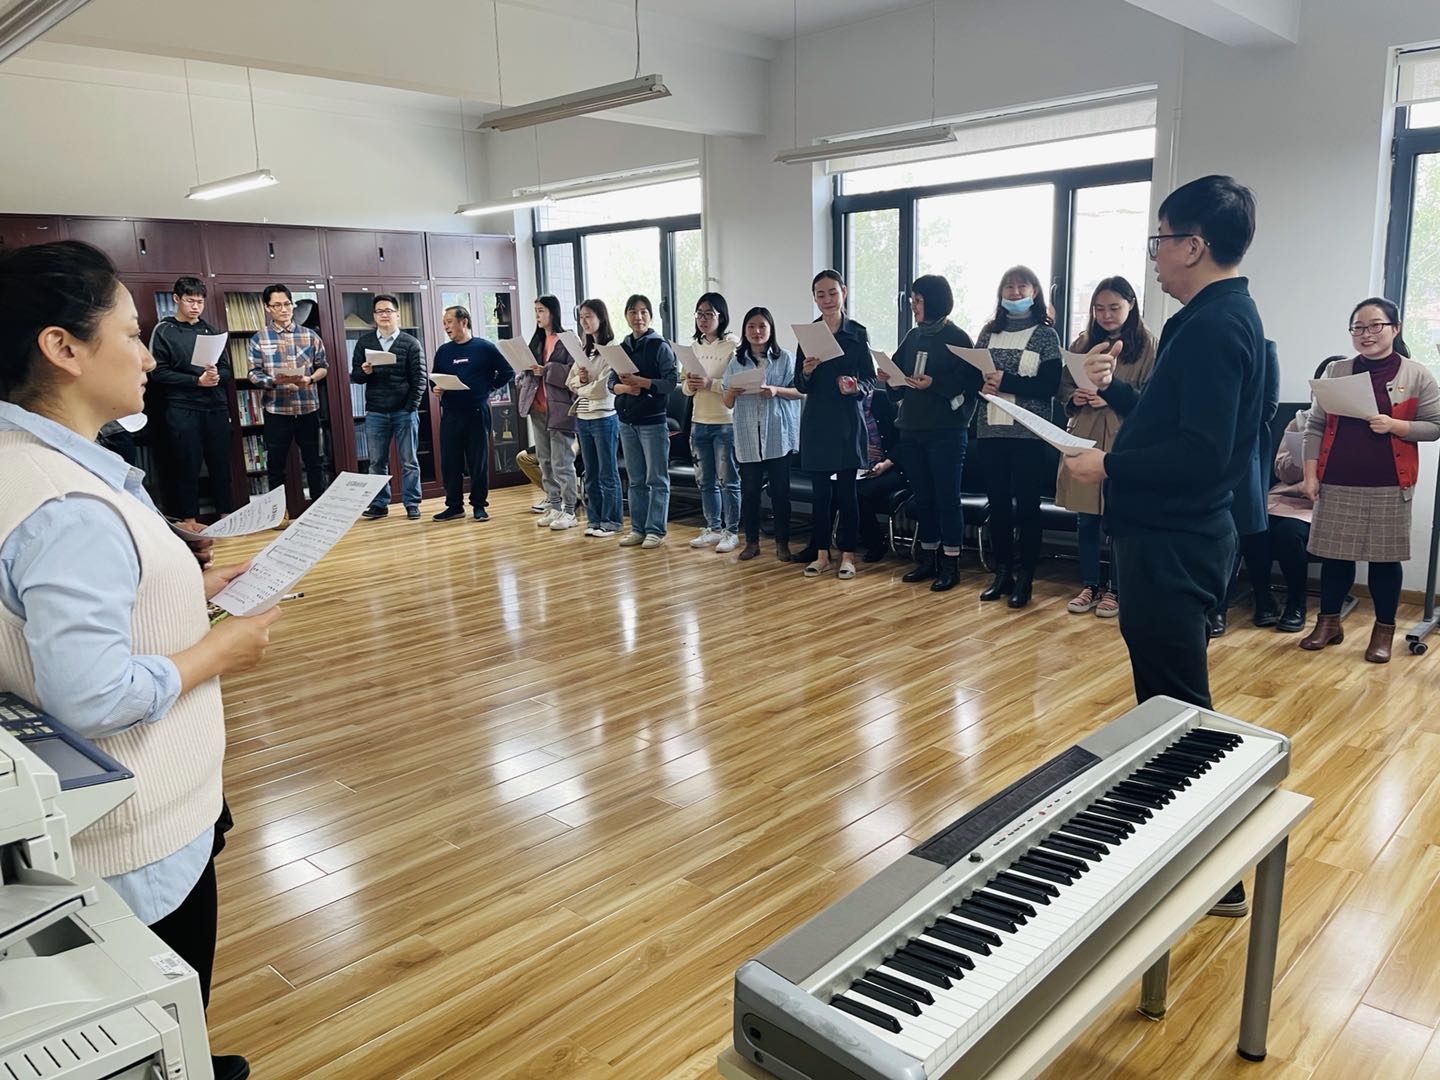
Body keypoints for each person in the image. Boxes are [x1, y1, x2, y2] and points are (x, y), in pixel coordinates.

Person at [0, 240, 280, 1080]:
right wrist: (220, 647)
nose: (147, 355)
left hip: (116, 819)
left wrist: (189, 586)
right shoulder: (68, 505)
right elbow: (91, 695)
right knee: (166, 1024)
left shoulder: (30, 466)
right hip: (134, 838)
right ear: (63, 347)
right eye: (129, 333)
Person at [1064, 175, 1265, 918]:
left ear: (1194, 245)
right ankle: (1178, 841)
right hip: (1172, 535)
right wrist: (1116, 394)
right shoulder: (1213, 316)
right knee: (1165, 701)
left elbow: (1202, 454)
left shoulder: (1214, 326)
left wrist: (1110, 465)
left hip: (1175, 541)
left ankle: (1218, 873)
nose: (1153, 255)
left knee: (1180, 708)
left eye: (1161, 239)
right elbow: (1174, 421)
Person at [1299, 298, 1440, 662]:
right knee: (1335, 558)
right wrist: (1310, 475)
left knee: (1385, 562)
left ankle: (1383, 631)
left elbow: (1435, 426)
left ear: (1395, 329)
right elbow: (1315, 426)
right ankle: (1328, 623)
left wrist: (1397, 426)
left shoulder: (1416, 374)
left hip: (1390, 484)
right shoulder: (1338, 371)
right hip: (1337, 480)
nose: (1366, 334)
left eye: (1375, 325)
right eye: (1358, 327)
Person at [1054, 276, 1157, 618]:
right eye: (1099, 309)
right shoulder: (1084, 342)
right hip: (1084, 433)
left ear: (1131, 305)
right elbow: (1063, 386)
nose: (1106, 315)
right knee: (1086, 518)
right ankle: (1089, 584)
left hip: (1123, 438)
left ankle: (1116, 589)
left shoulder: (1148, 345)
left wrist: (1111, 396)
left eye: (1114, 308)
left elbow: (1151, 399)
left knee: (1119, 518)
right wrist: (1076, 397)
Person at [881, 274, 982, 592]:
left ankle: (951, 564)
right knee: (923, 498)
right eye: (912, 299)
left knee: (946, 499)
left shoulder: (958, 337)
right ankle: (928, 558)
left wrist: (934, 384)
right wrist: (889, 378)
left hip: (946, 432)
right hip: (911, 429)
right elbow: (898, 377)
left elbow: (972, 384)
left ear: (935, 301)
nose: (913, 305)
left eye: (918, 300)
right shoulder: (913, 336)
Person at [974, 265, 1063, 608]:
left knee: (1027, 507)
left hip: (1028, 433)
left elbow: (1049, 386)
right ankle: (1002, 573)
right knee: (997, 506)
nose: (1014, 292)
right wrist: (982, 384)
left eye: (1022, 287)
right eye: (1008, 287)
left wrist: (1006, 381)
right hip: (991, 430)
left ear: (1034, 292)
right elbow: (975, 373)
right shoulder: (988, 332)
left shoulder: (1045, 335)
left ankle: (1026, 578)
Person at [794, 269, 875, 579]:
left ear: (844, 292)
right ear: (814, 299)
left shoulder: (858, 333)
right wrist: (807, 371)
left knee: (847, 494)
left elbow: (869, 379)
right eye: (820, 294)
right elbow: (800, 384)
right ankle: (821, 554)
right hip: (817, 420)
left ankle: (848, 556)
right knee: (820, 495)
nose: (827, 299)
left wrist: (856, 387)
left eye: (832, 292)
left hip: (846, 421)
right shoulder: (808, 334)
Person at [1263, 358, 1343, 633]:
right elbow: (1281, 470)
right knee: (1253, 527)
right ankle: (1262, 599)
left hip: (1322, 504)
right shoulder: (1300, 421)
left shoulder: (1356, 427)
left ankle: (1296, 602)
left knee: (1289, 533)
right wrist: (1303, 459)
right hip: (1286, 497)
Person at [148, 276, 234, 527]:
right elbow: (157, 372)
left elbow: (227, 370)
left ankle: (226, 515)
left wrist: (216, 376)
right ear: (176, 299)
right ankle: (189, 520)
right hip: (183, 407)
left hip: (215, 406)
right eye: (190, 301)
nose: (196, 306)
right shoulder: (164, 330)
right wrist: (196, 381)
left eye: (200, 302)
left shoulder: (212, 331)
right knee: (186, 465)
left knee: (221, 463)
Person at [1212, 338, 1280, 635]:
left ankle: (1263, 598)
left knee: (1249, 525)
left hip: (1247, 449)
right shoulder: (1205, 349)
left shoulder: (1265, 349)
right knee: (1218, 527)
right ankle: (1218, 606)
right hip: (1207, 447)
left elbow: (1268, 408)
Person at [722, 306, 801, 561]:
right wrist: (732, 392)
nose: (757, 331)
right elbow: (727, 402)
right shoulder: (736, 361)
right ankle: (752, 543)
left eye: (762, 326)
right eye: (751, 327)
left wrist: (776, 390)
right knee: (750, 492)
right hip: (748, 433)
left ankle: (782, 543)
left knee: (780, 493)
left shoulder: (785, 358)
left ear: (770, 329)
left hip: (777, 433)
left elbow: (800, 392)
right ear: (745, 331)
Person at [246, 283, 328, 507]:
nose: (283, 309)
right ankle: (278, 513)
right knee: (275, 466)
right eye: (277, 305)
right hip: (276, 410)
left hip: (307, 408)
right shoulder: (259, 338)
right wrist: (274, 381)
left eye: (287, 304)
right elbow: (253, 373)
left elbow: (323, 367)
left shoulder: (310, 335)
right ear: (267, 308)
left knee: (314, 463)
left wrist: (309, 379)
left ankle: (318, 509)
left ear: (292, 305)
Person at [431, 304, 514, 521]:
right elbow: (435, 378)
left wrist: (489, 387)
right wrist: (436, 389)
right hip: (451, 413)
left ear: (464, 322)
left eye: (449, 322)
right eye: (444, 323)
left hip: (477, 412)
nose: (446, 327)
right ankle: (454, 506)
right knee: (450, 462)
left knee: (478, 461)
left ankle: (479, 505)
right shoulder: (443, 351)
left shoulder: (484, 347)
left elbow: (507, 372)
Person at [611, 294, 679, 549]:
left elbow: (671, 382)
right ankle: (638, 529)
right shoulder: (622, 347)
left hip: (653, 421)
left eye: (643, 312)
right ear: (626, 316)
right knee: (636, 479)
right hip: (626, 420)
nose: (638, 317)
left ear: (650, 316)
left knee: (656, 479)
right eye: (633, 312)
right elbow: (611, 382)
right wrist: (623, 388)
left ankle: (655, 530)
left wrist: (644, 383)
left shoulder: (660, 345)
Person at [351, 294, 426, 520]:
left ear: (397, 315)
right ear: (374, 316)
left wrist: (410, 408)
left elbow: (420, 379)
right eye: (379, 311)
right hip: (376, 412)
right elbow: (356, 377)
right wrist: (363, 371)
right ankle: (379, 504)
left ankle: (412, 503)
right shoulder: (364, 343)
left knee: (409, 461)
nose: (384, 315)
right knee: (377, 463)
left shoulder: (410, 343)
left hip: (404, 412)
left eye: (388, 311)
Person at [682, 292, 743, 553]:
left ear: (721, 316)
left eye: (709, 314)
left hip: (725, 422)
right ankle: (713, 527)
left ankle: (732, 531)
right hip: (699, 420)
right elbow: (685, 387)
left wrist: (710, 384)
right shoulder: (693, 347)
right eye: (699, 314)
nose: (703, 319)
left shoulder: (733, 346)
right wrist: (691, 384)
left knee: (728, 480)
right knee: (704, 480)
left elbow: (735, 385)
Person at [518, 295, 578, 530]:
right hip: (538, 408)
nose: (537, 315)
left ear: (553, 312)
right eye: (535, 310)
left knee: (562, 461)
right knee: (545, 461)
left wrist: (547, 370)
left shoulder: (568, 339)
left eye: (541, 310)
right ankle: (554, 506)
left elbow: (575, 372)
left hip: (560, 409)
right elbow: (529, 373)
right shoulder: (537, 341)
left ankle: (570, 510)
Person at [567, 298, 624, 537]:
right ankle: (595, 519)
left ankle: (612, 521)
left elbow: (603, 388)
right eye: (581, 317)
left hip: (604, 416)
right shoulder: (585, 348)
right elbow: (570, 381)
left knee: (607, 472)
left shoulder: (612, 348)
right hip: (583, 416)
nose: (584, 322)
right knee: (590, 472)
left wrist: (582, 386)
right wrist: (581, 381)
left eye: (588, 316)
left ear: (601, 317)